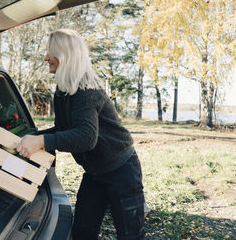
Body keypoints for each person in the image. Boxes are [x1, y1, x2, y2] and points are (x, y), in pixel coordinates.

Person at [16, 29, 145, 240]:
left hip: (121, 170)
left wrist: (41, 141)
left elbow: (86, 137)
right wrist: (33, 138)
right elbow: (63, 130)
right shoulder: (63, 90)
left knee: (131, 235)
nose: (46, 57)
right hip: (95, 172)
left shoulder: (87, 89)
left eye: (51, 52)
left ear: (66, 55)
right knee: (83, 232)